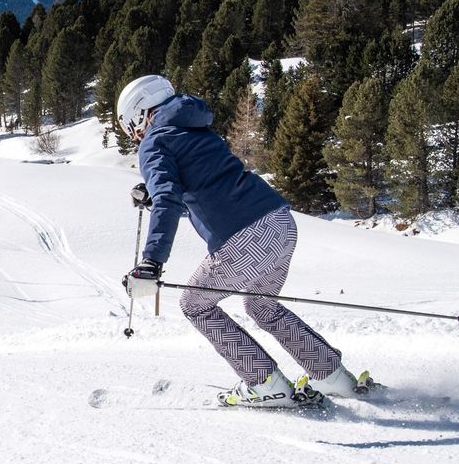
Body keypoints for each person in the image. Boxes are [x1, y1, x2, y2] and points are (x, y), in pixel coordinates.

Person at [117, 74, 373, 408]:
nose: (136, 136)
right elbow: (201, 187)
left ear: (141, 112)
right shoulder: (194, 125)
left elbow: (168, 197)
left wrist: (151, 262)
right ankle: (334, 377)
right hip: (278, 222)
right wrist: (158, 196)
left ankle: (264, 383)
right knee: (261, 305)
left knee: (195, 304)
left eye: (133, 128)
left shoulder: (155, 140)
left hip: (243, 238)